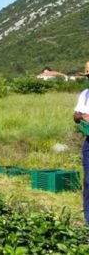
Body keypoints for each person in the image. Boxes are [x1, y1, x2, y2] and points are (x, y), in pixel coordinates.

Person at [73, 81, 89, 225]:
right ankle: (88, 221)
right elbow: (76, 116)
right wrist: (82, 116)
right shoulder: (85, 94)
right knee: (88, 181)